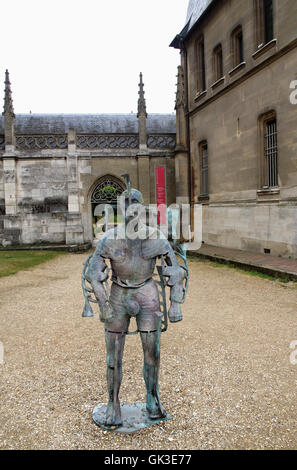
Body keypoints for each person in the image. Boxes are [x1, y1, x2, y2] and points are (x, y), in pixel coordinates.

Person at [85, 188, 186, 427]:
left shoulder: (156, 237)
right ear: (121, 208)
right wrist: (102, 303)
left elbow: (176, 270)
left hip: (147, 294)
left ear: (142, 207)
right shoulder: (109, 239)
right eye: (126, 202)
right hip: (119, 293)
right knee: (113, 355)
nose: (131, 207)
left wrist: (175, 304)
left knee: (152, 353)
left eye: (135, 202)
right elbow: (93, 273)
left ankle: (152, 398)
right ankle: (113, 403)